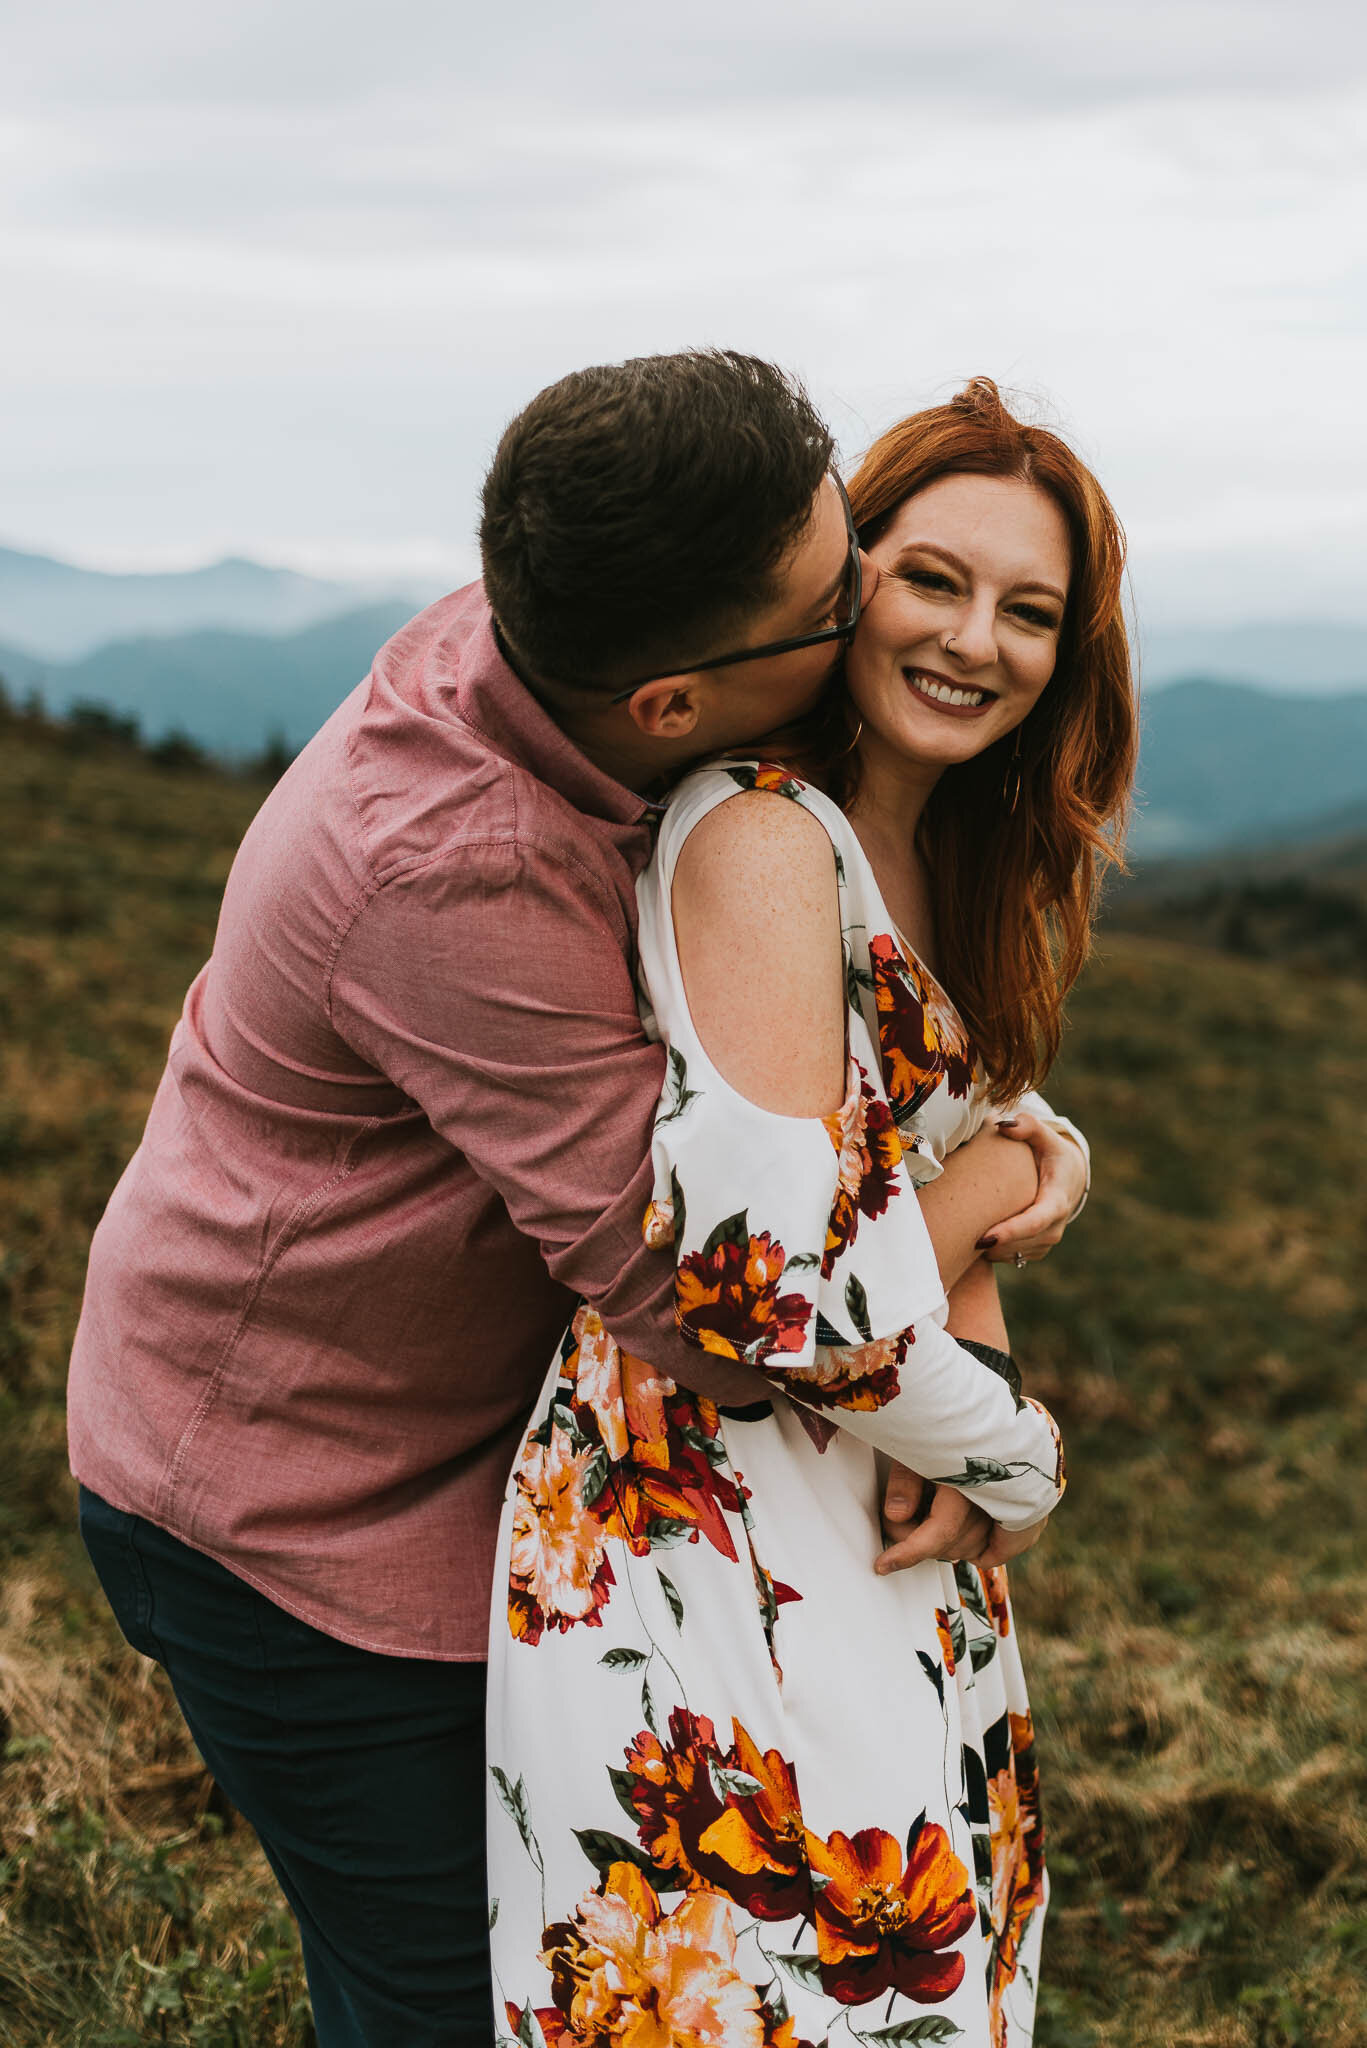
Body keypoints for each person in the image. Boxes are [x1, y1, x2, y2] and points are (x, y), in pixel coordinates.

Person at [67, 352, 1088, 2047]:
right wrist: (1003, 1207)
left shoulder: (588, 610)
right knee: (451, 2005)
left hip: (456, 1443)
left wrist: (1004, 1135)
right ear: (676, 704)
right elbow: (724, 1315)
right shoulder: (460, 869)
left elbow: (836, 1098)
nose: (887, 624)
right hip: (297, 1507)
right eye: (847, 598)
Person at [485, 378, 1135, 2047]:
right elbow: (776, 1290)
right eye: (932, 579)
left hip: (862, 1474)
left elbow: (928, 1138)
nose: (975, 638)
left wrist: (1020, 1161)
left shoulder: (944, 849)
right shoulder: (766, 836)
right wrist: (1017, 1452)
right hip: (705, 1500)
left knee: (908, 1966)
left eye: (1031, 610)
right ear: (850, 586)